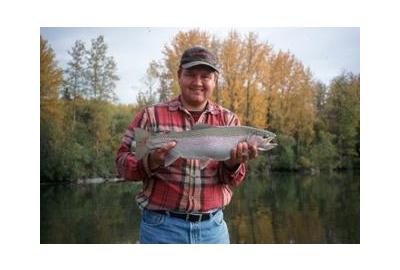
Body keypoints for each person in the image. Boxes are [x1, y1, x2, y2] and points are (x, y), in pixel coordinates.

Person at [116, 46, 258, 244]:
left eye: (205, 76)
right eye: (191, 74)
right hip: (160, 229)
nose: (198, 82)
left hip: (213, 231)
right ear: (179, 76)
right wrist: (149, 162)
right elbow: (122, 163)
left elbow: (230, 181)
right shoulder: (150, 115)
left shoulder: (230, 120)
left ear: (215, 80)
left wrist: (233, 164)